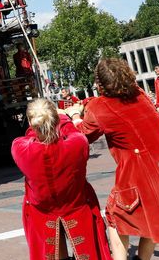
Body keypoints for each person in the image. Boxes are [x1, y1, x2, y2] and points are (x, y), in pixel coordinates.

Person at [69, 58, 159, 260]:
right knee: (154, 215)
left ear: (100, 83)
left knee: (115, 217)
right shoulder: (140, 94)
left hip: (138, 170)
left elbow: (84, 134)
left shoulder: (99, 106)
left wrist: (74, 116)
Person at [12, 99, 111, 260]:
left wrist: (43, 122)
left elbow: (30, 135)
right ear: (55, 120)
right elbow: (74, 132)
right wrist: (67, 116)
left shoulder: (19, 148)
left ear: (31, 121)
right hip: (77, 206)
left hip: (41, 211)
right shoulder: (77, 144)